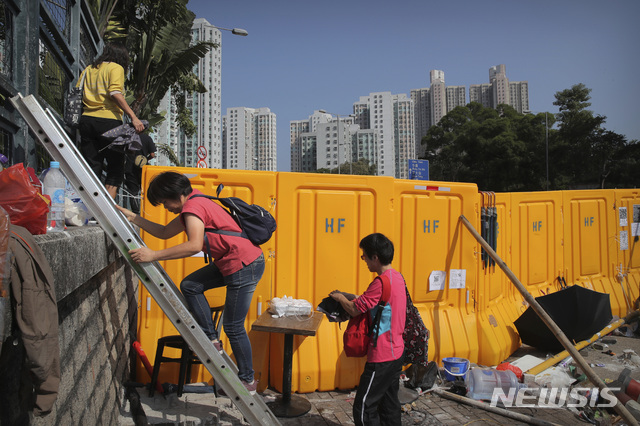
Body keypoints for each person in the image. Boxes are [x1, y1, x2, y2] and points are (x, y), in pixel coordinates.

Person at [116, 171, 265, 394]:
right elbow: (165, 232)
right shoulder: (196, 200)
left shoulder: (193, 208)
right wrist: (134, 217)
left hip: (243, 264)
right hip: (232, 261)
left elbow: (194, 245)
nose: (166, 208)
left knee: (233, 326)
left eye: (165, 202)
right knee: (191, 285)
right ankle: (212, 339)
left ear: (175, 195)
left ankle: (247, 380)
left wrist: (153, 255)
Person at [330, 233, 406, 426]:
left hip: (381, 356)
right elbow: (380, 302)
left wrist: (340, 298)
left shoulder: (380, 282)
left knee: (364, 406)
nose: (363, 260)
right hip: (397, 353)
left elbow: (355, 310)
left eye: (364, 256)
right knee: (389, 405)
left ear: (375, 257)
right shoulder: (397, 277)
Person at [78, 42, 144, 199]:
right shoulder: (116, 68)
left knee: (92, 165)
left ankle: (89, 208)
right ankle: (107, 210)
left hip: (87, 120)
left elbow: (78, 91)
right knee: (115, 168)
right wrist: (133, 117)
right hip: (108, 122)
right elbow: (115, 92)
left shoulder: (89, 69)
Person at [123, 133, 156, 214]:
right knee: (145, 190)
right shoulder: (147, 138)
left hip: (130, 167)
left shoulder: (129, 136)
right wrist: (145, 159)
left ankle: (135, 212)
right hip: (142, 168)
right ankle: (146, 211)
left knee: (132, 191)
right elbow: (152, 154)